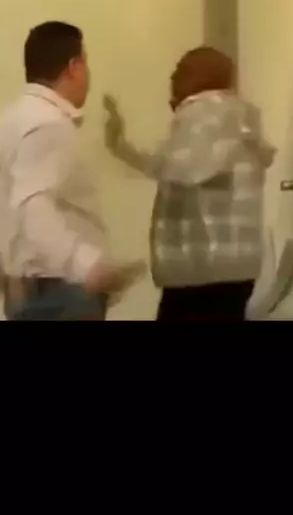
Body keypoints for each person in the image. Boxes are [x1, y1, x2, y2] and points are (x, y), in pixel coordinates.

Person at [0, 21, 144, 320]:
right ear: (74, 67)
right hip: (64, 292)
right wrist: (86, 265)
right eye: (86, 64)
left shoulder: (8, 120)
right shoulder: (50, 124)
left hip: (23, 289)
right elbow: (33, 205)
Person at [104, 46, 276, 322]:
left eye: (181, 70)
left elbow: (181, 165)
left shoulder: (208, 112)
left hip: (204, 267)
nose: (173, 77)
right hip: (233, 265)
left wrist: (123, 144)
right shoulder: (235, 118)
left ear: (204, 76)